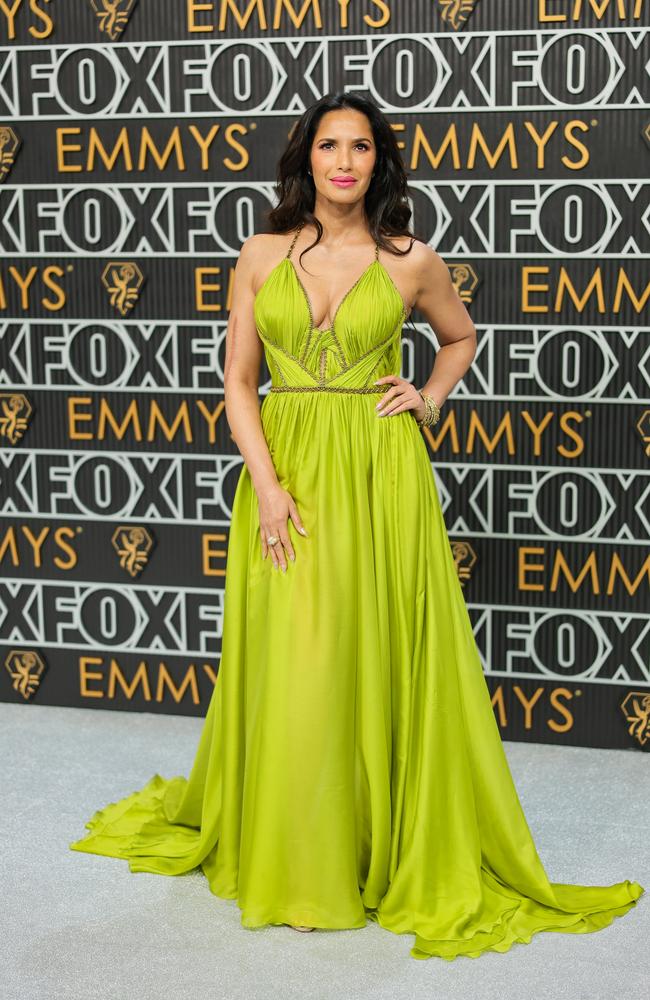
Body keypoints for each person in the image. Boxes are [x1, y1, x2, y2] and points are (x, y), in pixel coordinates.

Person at [70, 92, 644, 960]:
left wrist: (431, 396)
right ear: (306, 157)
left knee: (370, 651)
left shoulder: (412, 260)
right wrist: (265, 485)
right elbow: (237, 380)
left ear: (380, 163)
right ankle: (306, 863)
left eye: (362, 148)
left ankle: (373, 847)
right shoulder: (260, 253)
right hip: (289, 470)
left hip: (384, 474)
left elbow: (460, 338)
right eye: (330, 145)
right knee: (302, 656)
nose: (345, 161)